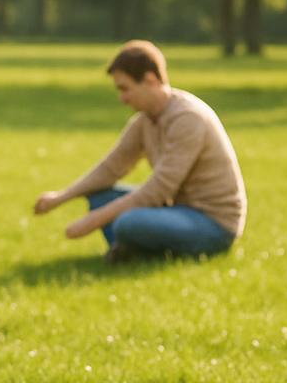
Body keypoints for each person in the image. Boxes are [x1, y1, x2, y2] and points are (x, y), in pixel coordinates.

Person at [33, 40, 244, 262]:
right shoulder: (145, 121)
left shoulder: (188, 119)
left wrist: (94, 220)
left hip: (213, 225)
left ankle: (138, 255)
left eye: (125, 88)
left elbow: (159, 189)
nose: (122, 98)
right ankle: (133, 253)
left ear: (150, 80)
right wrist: (60, 198)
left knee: (127, 222)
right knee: (100, 197)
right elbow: (111, 168)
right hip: (178, 211)